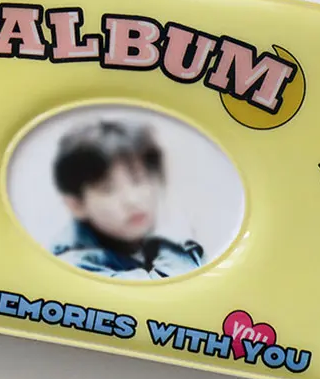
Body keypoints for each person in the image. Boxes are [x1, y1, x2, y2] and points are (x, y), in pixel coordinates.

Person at [49, 119, 204, 279]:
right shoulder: (73, 266)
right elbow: (171, 289)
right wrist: (173, 239)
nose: (132, 200)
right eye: (108, 189)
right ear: (76, 205)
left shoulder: (135, 243)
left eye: (138, 179)